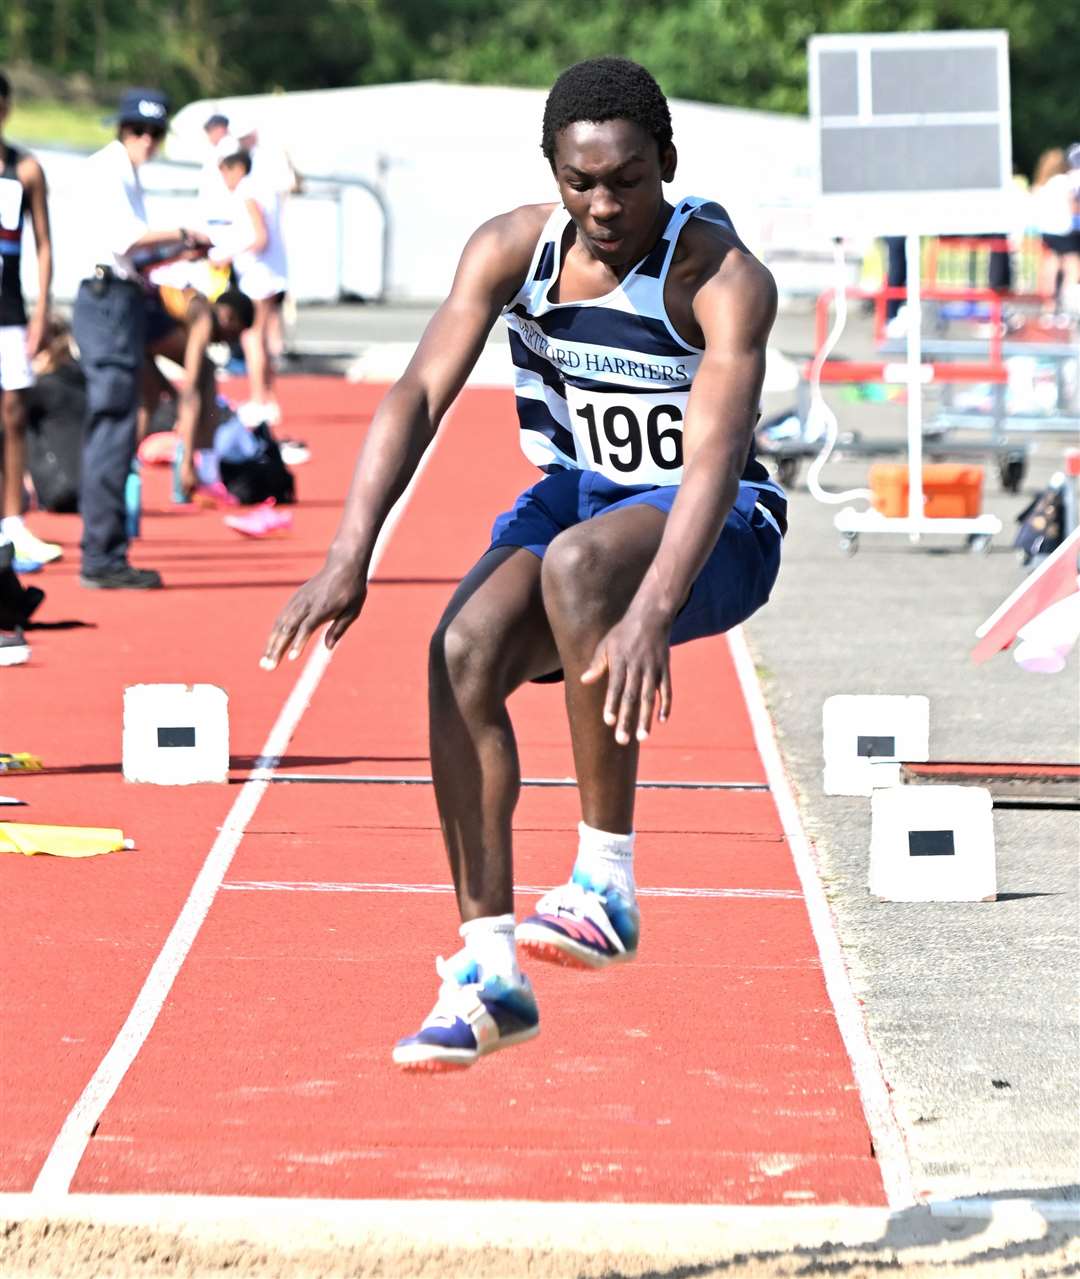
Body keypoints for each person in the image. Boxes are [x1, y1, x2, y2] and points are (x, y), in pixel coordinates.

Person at [262, 57, 785, 1070]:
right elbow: (418, 392)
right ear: (552, 172)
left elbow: (717, 459)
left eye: (627, 180)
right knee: (460, 649)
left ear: (665, 164)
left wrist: (651, 611)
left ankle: (606, 881)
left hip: (717, 524)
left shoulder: (718, 278)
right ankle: (488, 969)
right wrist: (347, 552)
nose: (602, 205)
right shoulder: (513, 251)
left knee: (584, 569)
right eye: (579, 181)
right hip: (579, 495)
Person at [74, 87, 209, 590]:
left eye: (156, 131)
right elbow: (124, 240)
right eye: (138, 130)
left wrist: (179, 248)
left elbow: (130, 252)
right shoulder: (109, 170)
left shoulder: (122, 171)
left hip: (120, 296)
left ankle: (105, 550)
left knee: (116, 422)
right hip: (108, 300)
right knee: (112, 424)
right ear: (122, 129)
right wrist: (182, 230)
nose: (147, 140)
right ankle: (101, 556)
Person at [0, 70, 57, 568]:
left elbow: (43, 243)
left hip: (10, 311)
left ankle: (13, 523)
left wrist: (41, 308)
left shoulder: (26, 170)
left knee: (14, 412)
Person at [142, 283, 254, 497]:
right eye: (232, 335)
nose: (227, 342)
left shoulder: (186, 312)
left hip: (135, 332)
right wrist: (186, 463)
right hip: (136, 325)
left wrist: (172, 396)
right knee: (204, 373)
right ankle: (201, 468)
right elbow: (191, 388)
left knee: (148, 403)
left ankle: (123, 473)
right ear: (227, 315)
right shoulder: (202, 318)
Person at [215, 145, 288, 426]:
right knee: (264, 336)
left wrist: (227, 254)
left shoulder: (247, 192)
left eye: (224, 170)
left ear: (237, 168)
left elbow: (260, 237)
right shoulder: (263, 189)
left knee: (251, 336)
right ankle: (269, 399)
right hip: (270, 272)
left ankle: (259, 400)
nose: (224, 178)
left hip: (258, 273)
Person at [1031, 147, 1080, 323]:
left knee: (1051, 267)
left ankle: (1048, 309)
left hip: (1047, 230)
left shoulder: (1041, 184)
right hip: (1064, 229)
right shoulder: (1065, 181)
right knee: (1072, 268)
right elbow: (1073, 206)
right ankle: (1068, 308)